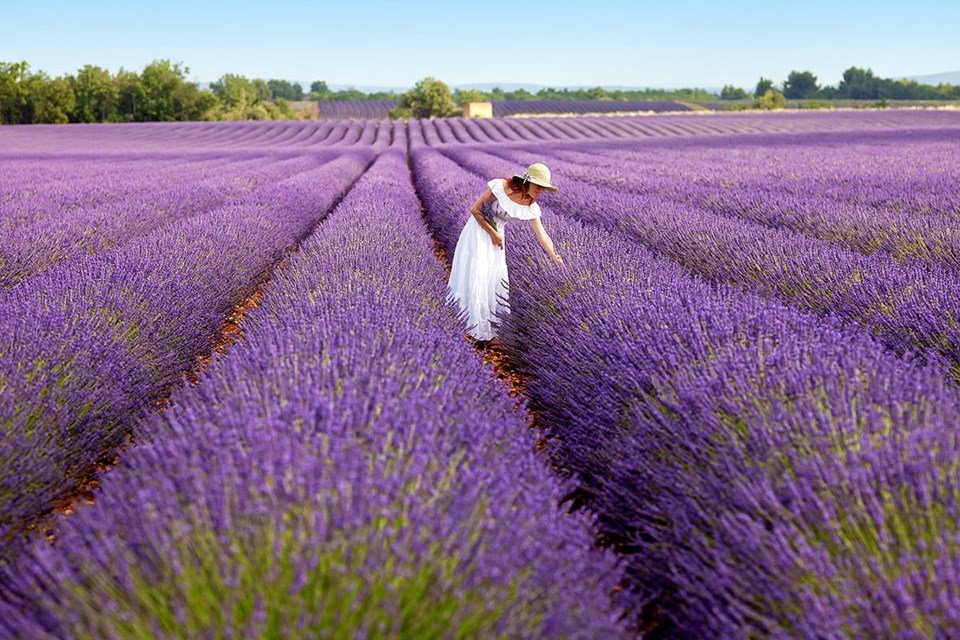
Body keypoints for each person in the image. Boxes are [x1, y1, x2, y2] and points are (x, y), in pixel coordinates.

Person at [445, 162, 564, 349]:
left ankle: (488, 334)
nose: (540, 191)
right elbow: (475, 210)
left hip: (497, 238)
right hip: (478, 233)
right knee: (478, 276)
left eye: (544, 188)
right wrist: (493, 234)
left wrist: (556, 259)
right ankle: (470, 329)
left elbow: (543, 236)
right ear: (527, 181)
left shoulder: (531, 206)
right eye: (539, 186)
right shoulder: (501, 187)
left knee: (493, 280)